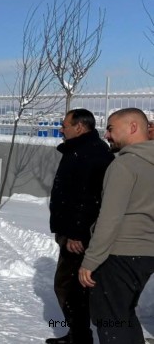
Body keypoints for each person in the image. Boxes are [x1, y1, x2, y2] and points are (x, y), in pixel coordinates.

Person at [78, 108, 154, 344]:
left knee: (111, 319)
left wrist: (90, 261)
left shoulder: (124, 165)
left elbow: (110, 218)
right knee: (124, 315)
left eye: (111, 128)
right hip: (145, 255)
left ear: (133, 127)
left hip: (119, 253)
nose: (106, 135)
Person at [47, 109, 114, 344]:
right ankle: (78, 334)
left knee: (68, 287)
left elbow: (89, 197)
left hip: (79, 235)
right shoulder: (80, 149)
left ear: (79, 127)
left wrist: (76, 233)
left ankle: (80, 337)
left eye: (64, 125)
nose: (61, 129)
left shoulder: (90, 153)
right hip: (72, 231)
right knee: (73, 288)